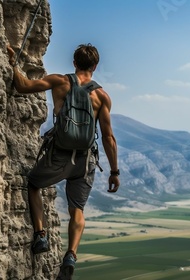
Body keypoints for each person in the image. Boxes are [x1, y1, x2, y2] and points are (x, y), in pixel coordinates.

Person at [7, 44, 120, 277]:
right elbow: (108, 137)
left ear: (74, 63)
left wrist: (13, 64)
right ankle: (71, 254)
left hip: (59, 155)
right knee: (77, 208)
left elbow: (23, 86)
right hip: (85, 160)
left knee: (34, 184)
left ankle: (40, 235)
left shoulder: (60, 82)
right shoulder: (102, 96)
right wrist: (114, 171)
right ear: (95, 67)